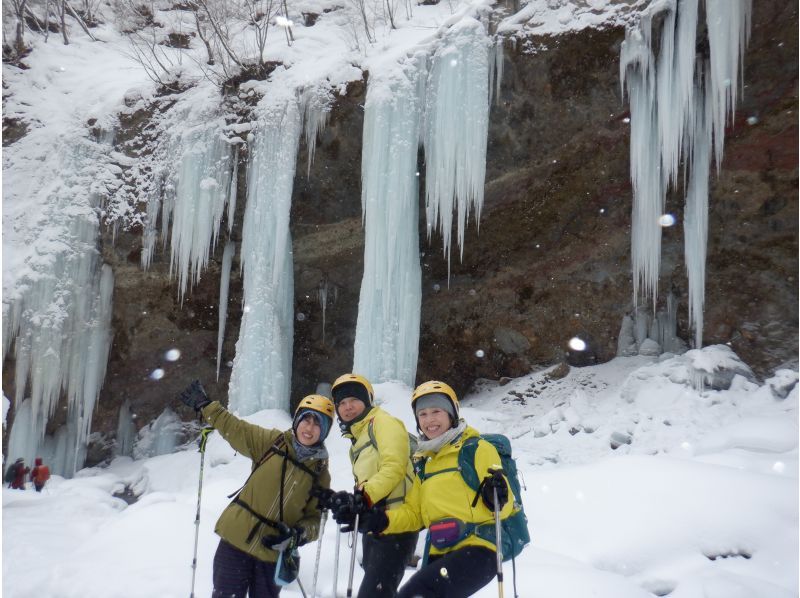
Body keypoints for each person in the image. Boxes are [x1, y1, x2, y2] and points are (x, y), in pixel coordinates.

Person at [355, 380, 513, 598]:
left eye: (436, 411)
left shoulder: (477, 449)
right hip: (440, 552)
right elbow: (414, 514)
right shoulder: (425, 463)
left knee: (415, 593)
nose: (430, 420)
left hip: (479, 548)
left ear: (451, 414)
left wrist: (496, 495)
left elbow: (505, 506)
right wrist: (380, 520)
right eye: (423, 414)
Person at [179, 380, 333, 598]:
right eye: (306, 420)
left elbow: (316, 521)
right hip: (235, 540)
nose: (309, 428)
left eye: (318, 424)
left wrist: (296, 536)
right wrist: (206, 406)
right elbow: (235, 428)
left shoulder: (320, 473)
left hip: (272, 555)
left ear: (324, 431)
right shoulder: (273, 442)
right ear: (297, 420)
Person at [327, 373, 418, 598]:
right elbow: (370, 481)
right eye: (342, 403)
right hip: (375, 524)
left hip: (397, 523)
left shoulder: (384, 423)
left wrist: (363, 497)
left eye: (354, 400)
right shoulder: (358, 439)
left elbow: (393, 467)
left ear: (367, 401)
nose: (348, 407)